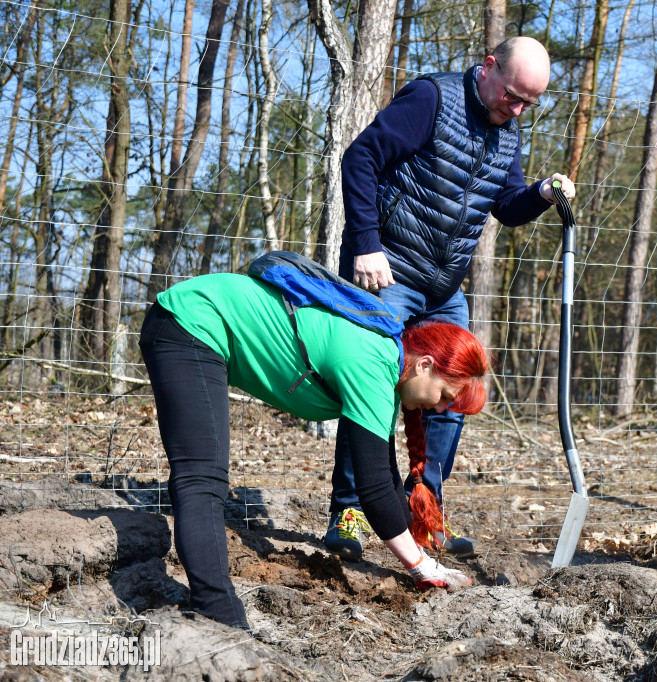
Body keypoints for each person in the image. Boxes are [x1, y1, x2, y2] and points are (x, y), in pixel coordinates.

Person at [325, 35, 577, 561]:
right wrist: (367, 244)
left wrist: (542, 194)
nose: (518, 109)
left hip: (443, 289)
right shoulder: (430, 100)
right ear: (488, 68)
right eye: (513, 95)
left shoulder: (509, 133)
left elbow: (504, 206)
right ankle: (349, 510)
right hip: (388, 272)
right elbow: (361, 158)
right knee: (370, 384)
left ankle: (424, 512)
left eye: (530, 102)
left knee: (453, 393)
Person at [140, 271, 488, 629]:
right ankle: (217, 612)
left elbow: (385, 478)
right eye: (445, 396)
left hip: (196, 320)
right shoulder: (372, 362)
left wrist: (424, 563)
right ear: (424, 365)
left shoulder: (385, 365)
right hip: (191, 321)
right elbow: (373, 491)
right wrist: (420, 568)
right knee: (202, 479)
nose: (441, 408)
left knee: (203, 479)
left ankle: (215, 608)